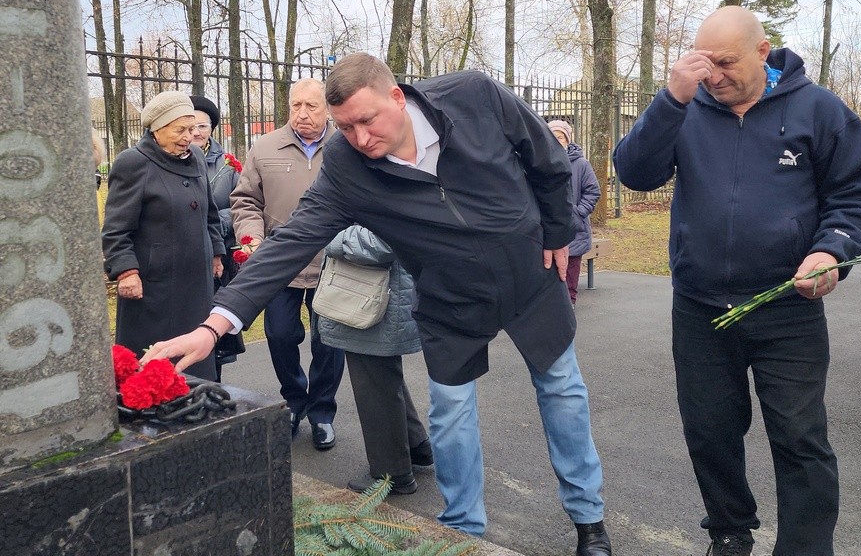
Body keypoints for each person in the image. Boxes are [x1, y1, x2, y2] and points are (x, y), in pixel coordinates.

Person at [144, 53, 613, 556]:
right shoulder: (348, 165)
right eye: (345, 128)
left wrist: (560, 228)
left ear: (397, 97)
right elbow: (293, 239)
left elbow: (543, 155)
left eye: (367, 121)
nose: (361, 139)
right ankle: (462, 533)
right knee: (451, 411)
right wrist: (215, 324)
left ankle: (589, 520)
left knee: (562, 390)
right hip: (449, 298)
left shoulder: (473, 96)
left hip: (529, 277)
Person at [612, 6, 861, 556]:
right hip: (700, 305)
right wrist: (670, 99)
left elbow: (854, 198)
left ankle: (804, 549)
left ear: (764, 52)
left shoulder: (819, 110)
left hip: (788, 304)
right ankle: (730, 530)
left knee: (800, 438)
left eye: (727, 62)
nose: (714, 74)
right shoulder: (685, 107)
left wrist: (831, 251)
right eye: (705, 62)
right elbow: (635, 173)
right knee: (710, 431)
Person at [229, 78, 345, 451]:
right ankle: (294, 401)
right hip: (281, 262)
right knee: (279, 335)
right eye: (296, 106)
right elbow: (245, 201)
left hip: (334, 263)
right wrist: (252, 238)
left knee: (329, 342)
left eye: (311, 106)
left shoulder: (346, 146)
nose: (302, 114)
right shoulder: (265, 147)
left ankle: (322, 413)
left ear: (327, 108)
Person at [101, 91, 226, 381]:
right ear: (157, 129)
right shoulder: (133, 162)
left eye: (192, 128)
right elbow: (115, 228)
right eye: (180, 130)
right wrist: (126, 271)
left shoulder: (194, 155)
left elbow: (209, 211)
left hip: (196, 283)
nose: (189, 136)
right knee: (152, 366)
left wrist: (216, 251)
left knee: (196, 359)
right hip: (153, 287)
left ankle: (199, 405)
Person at [315, 224, 432, 495]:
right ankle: (415, 446)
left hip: (375, 296)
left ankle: (391, 473)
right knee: (381, 376)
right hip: (377, 293)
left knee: (374, 384)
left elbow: (386, 241)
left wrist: (330, 235)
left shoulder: (388, 181)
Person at [190, 95, 245, 379]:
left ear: (212, 127)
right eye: (192, 125)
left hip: (218, 256)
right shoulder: (176, 159)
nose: (197, 132)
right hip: (185, 256)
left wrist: (209, 221)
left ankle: (215, 382)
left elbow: (242, 207)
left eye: (203, 125)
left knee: (214, 326)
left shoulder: (227, 166)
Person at [547, 120, 601, 306]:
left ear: (567, 140)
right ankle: (551, 305)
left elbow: (593, 191)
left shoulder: (581, 164)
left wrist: (578, 213)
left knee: (571, 269)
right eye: (552, 136)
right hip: (547, 227)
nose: (556, 140)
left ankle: (569, 302)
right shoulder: (539, 161)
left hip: (574, 227)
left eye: (560, 136)